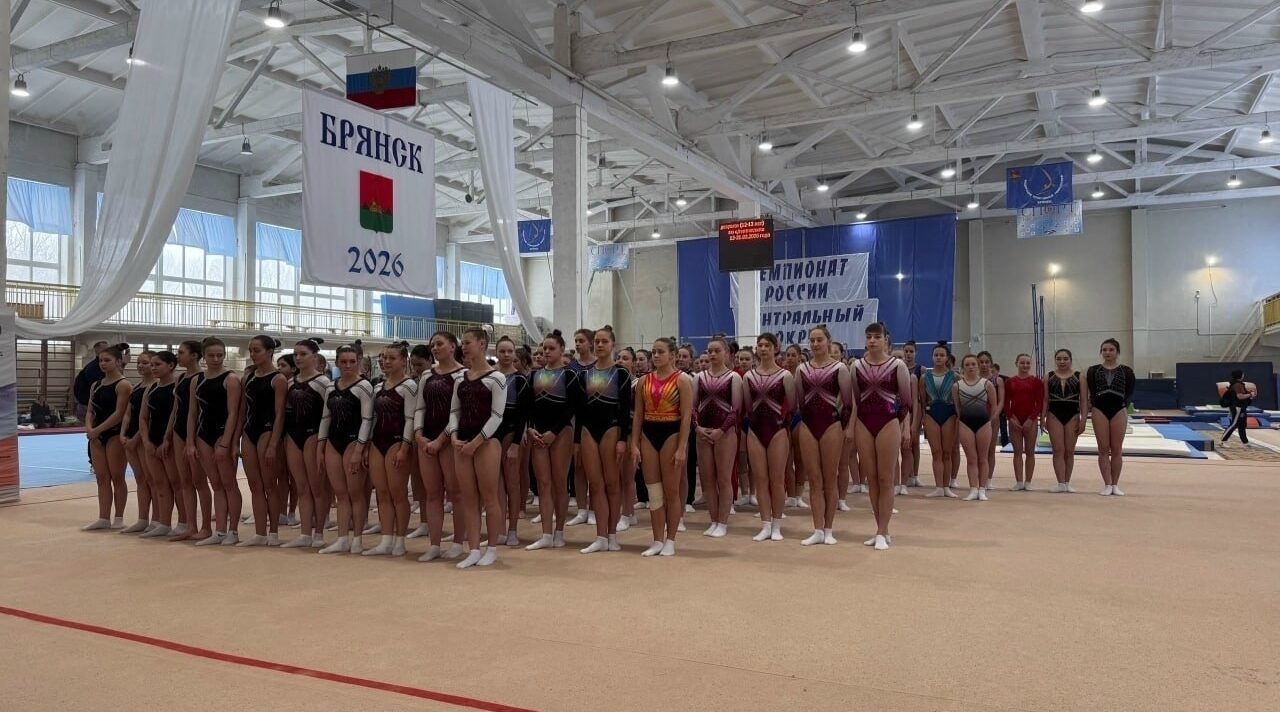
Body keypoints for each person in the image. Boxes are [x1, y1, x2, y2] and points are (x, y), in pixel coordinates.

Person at [446, 328, 508, 568]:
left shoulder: (497, 378)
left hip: (487, 442)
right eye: (462, 343)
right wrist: (453, 435)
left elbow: (497, 415)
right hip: (462, 441)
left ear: (482, 344)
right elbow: (454, 411)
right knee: (468, 498)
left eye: (467, 342)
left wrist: (477, 442)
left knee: (490, 497)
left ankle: (491, 548)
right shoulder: (460, 378)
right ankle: (473, 548)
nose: (463, 346)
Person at [630, 337, 693, 557]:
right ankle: (657, 539)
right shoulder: (643, 381)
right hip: (648, 434)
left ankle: (670, 540)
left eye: (660, 352)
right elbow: (638, 415)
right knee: (654, 492)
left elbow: (686, 416)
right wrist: (634, 444)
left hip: (671, 434)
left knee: (671, 491)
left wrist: (682, 448)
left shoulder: (682, 380)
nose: (656, 355)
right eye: (653, 352)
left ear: (672, 355)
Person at [852, 323, 912, 551]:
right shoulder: (856, 366)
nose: (872, 341)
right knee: (873, 479)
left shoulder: (897, 365)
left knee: (886, 478)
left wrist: (901, 426)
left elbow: (905, 402)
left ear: (886, 339)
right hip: (864, 423)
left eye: (877, 337)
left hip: (888, 421)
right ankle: (880, 529)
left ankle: (882, 530)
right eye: (869, 337)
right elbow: (855, 400)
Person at [795, 325, 853, 547]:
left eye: (819, 340)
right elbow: (801, 402)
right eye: (812, 340)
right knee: (814, 479)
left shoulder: (839, 368)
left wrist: (842, 428)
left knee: (829, 478)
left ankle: (829, 529)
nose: (815, 344)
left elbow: (847, 404)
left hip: (831, 425)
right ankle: (817, 529)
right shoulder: (802, 369)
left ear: (828, 341)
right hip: (808, 426)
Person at [525, 331, 583, 551]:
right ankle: (546, 534)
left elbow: (572, 407)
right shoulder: (534, 375)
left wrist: (554, 432)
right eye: (544, 349)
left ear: (561, 350)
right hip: (538, 433)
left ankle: (559, 532)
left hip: (561, 432)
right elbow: (529, 407)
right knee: (543, 484)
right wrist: (530, 428)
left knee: (559, 483)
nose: (547, 352)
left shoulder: (570, 375)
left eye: (551, 348)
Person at [577, 326, 633, 554]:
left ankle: (612, 535)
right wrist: (577, 441)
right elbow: (580, 410)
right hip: (588, 430)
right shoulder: (585, 374)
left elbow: (625, 409)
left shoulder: (621, 373)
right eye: (597, 341)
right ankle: (600, 537)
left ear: (613, 345)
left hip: (612, 429)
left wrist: (623, 439)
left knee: (612, 483)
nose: (599, 345)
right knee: (596, 484)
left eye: (604, 341)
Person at [316, 344, 375, 554]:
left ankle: (357, 538)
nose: (348, 365)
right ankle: (342, 538)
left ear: (358, 362)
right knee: (341, 494)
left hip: (353, 441)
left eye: (352, 361)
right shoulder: (331, 387)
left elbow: (367, 420)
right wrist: (320, 447)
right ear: (337, 363)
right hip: (333, 442)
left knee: (355, 493)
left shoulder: (364, 386)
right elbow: (325, 418)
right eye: (343, 362)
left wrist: (359, 450)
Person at [413, 332, 466, 561]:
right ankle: (434, 544)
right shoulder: (427, 375)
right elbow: (419, 408)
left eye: (439, 344)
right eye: (432, 345)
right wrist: (418, 434)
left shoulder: (463, 374)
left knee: (456, 493)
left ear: (452, 347)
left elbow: (459, 412)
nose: (435, 348)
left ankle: (458, 542)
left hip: (449, 439)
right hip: (426, 439)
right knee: (432, 494)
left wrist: (441, 440)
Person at [188, 337, 243, 546]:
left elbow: (233, 413)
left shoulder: (231, 379)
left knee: (229, 483)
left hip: (222, 434)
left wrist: (226, 443)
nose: (216, 359)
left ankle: (233, 531)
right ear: (203, 356)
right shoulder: (197, 380)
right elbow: (193, 414)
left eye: (220, 355)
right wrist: (190, 442)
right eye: (211, 355)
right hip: (203, 434)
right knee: (216, 484)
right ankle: (219, 531)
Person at [280, 338, 332, 548]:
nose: (298, 358)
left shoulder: (323, 382)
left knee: (317, 487)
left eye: (303, 354)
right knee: (301, 488)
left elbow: (329, 415)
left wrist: (323, 443)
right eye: (296, 354)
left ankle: (318, 533)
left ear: (314, 357)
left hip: (314, 436)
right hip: (293, 436)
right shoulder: (290, 383)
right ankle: (305, 533)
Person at [743, 334, 795, 542]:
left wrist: (784, 427)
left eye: (767, 345)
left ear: (775, 348)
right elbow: (748, 407)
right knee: (761, 479)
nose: (763, 348)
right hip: (755, 431)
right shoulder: (749, 376)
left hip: (778, 429)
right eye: (760, 345)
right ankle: (765, 524)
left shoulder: (785, 376)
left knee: (777, 479)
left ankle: (777, 525)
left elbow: (792, 406)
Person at [239, 336, 288, 547]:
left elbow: (280, 414)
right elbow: (242, 410)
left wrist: (273, 445)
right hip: (249, 431)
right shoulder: (247, 378)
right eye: (251, 350)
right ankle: (260, 533)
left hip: (268, 431)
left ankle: (274, 533)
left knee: (269, 485)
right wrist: (236, 438)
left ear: (269, 352)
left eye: (256, 350)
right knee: (254, 485)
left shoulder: (279, 379)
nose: (252, 354)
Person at [693, 336, 741, 538]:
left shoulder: (734, 378)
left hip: (725, 433)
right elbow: (693, 407)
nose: (712, 354)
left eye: (717, 351)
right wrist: (697, 427)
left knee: (723, 478)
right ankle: (713, 520)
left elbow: (736, 409)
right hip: (703, 432)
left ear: (726, 354)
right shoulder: (699, 377)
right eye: (709, 351)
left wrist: (721, 430)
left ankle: (723, 522)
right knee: (708, 480)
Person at [82, 344, 133, 531]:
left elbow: (119, 414)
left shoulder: (124, 385)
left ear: (118, 362)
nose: (103, 363)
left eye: (107, 360)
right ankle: (103, 517)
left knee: (117, 477)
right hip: (96, 435)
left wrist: (97, 430)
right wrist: (90, 428)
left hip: (114, 433)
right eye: (100, 360)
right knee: (102, 478)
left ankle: (118, 518)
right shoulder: (95, 385)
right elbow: (90, 411)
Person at [1083, 339, 1135, 496]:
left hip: (1119, 409)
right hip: (1099, 410)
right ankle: (1107, 484)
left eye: (1111, 349)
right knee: (1103, 448)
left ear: (1117, 352)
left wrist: (1123, 405)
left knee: (1117, 449)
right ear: (1101, 352)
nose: (1107, 352)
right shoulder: (1092, 371)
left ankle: (1115, 485)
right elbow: (1091, 392)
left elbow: (1130, 392)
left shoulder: (1126, 371)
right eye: (1104, 350)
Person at [493, 337, 531, 547]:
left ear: (514, 354)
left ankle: (513, 529)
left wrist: (516, 444)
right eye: (502, 351)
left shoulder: (521, 380)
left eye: (510, 351)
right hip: (492, 434)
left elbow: (523, 415)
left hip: (511, 433)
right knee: (497, 484)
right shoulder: (491, 377)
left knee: (512, 483)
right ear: (496, 353)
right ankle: (499, 529)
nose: (506, 355)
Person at [168, 341, 206, 541]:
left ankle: (206, 526)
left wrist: (191, 440)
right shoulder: (181, 378)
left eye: (181, 352)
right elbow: (176, 409)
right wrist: (168, 434)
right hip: (178, 430)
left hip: (197, 432)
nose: (177, 355)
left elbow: (196, 411)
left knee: (199, 481)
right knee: (185, 481)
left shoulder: (202, 378)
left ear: (194, 355)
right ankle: (190, 525)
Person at [139, 351, 178, 538]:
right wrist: (146, 441)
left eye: (157, 364)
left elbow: (177, 415)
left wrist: (167, 439)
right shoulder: (151, 388)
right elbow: (143, 418)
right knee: (159, 483)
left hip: (170, 441)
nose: (153, 368)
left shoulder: (177, 386)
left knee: (176, 484)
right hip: (152, 440)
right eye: (152, 364)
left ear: (171, 365)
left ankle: (184, 522)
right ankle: (164, 523)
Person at [119, 351, 156, 534]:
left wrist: (136, 438)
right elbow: (128, 413)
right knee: (140, 479)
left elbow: (150, 418)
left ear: (153, 365)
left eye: (145, 363)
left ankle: (157, 519)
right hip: (130, 437)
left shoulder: (156, 386)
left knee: (152, 479)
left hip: (144, 437)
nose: (140, 366)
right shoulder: (137, 387)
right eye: (138, 362)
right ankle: (142, 519)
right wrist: (122, 434)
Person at [954, 355, 997, 501]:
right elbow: (957, 407)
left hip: (983, 423)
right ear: (963, 367)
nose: (971, 367)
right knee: (971, 458)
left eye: (973, 364)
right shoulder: (957, 386)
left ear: (977, 366)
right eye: (967, 364)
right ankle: (973, 489)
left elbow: (994, 406)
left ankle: (982, 489)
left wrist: (989, 421)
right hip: (965, 423)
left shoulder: (987, 384)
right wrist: (961, 421)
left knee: (983, 458)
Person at [565, 328, 596, 527]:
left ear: (591, 343)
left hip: (593, 419)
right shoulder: (570, 368)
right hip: (574, 419)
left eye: (581, 341)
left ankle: (593, 509)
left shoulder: (598, 366)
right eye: (576, 341)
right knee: (578, 466)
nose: (577, 344)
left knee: (593, 468)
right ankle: (582, 509)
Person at [920, 342, 958, 498]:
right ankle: (938, 487)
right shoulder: (925, 377)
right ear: (932, 357)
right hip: (931, 414)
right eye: (936, 355)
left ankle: (946, 487)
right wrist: (923, 417)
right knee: (936, 452)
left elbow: (958, 399)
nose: (938, 358)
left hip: (949, 414)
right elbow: (923, 401)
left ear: (947, 358)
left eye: (942, 355)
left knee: (947, 452)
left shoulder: (955, 376)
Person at [1004, 354, 1044, 491]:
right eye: (1022, 363)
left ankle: (1028, 481)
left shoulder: (1036, 382)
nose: (1025, 365)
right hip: (1015, 419)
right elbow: (1005, 402)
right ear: (1016, 364)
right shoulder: (1010, 382)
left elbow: (1039, 403)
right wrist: (1011, 417)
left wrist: (1031, 419)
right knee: (1017, 452)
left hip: (1030, 420)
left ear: (1030, 364)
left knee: (1030, 452)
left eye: (1027, 363)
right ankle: (1019, 481)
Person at [1044, 349, 1082, 492]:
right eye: (1059, 359)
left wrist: (1083, 420)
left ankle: (1067, 482)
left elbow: (1084, 401)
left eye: (1065, 359)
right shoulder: (1048, 376)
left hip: (1073, 415)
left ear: (1070, 360)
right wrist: (1043, 418)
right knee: (1058, 450)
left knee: (1069, 451)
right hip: (1054, 415)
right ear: (1055, 360)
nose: (1062, 361)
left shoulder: (1079, 377)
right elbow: (1045, 400)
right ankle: (1060, 483)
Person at [276, 354, 301, 527]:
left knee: (295, 477)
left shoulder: (296, 385)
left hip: (294, 433)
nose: (279, 369)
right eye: (278, 365)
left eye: (283, 365)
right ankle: (281, 512)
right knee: (282, 476)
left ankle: (292, 511)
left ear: (293, 369)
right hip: (281, 432)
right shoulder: (279, 384)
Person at [977, 352, 1004, 490]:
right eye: (981, 362)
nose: (984, 364)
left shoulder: (997, 381)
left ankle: (988, 479)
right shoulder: (972, 379)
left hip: (992, 418)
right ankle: (977, 479)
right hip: (976, 417)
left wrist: (995, 415)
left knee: (990, 450)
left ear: (991, 364)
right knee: (977, 451)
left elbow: (1001, 401)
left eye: (986, 362)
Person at [901, 340, 923, 488]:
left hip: (915, 408)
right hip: (901, 408)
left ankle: (915, 475)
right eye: (906, 351)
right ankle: (907, 475)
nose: (908, 354)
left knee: (914, 442)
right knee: (905, 444)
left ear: (916, 353)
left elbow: (920, 394)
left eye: (911, 352)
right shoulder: (899, 367)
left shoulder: (921, 370)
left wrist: (918, 416)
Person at [73, 340, 110, 423]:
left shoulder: (97, 366)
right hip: (88, 405)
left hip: (89, 404)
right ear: (97, 350)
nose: (108, 352)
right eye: (105, 349)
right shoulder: (93, 368)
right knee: (89, 428)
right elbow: (99, 389)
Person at [1221, 369, 1256, 445]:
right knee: (1234, 424)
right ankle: (1223, 441)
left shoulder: (1239, 384)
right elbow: (1240, 396)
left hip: (1241, 407)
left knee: (1242, 425)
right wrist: (1250, 394)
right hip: (1237, 408)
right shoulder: (1237, 385)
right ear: (1239, 376)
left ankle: (1245, 442)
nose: (1243, 375)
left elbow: (1242, 395)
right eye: (1242, 374)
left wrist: (1250, 395)